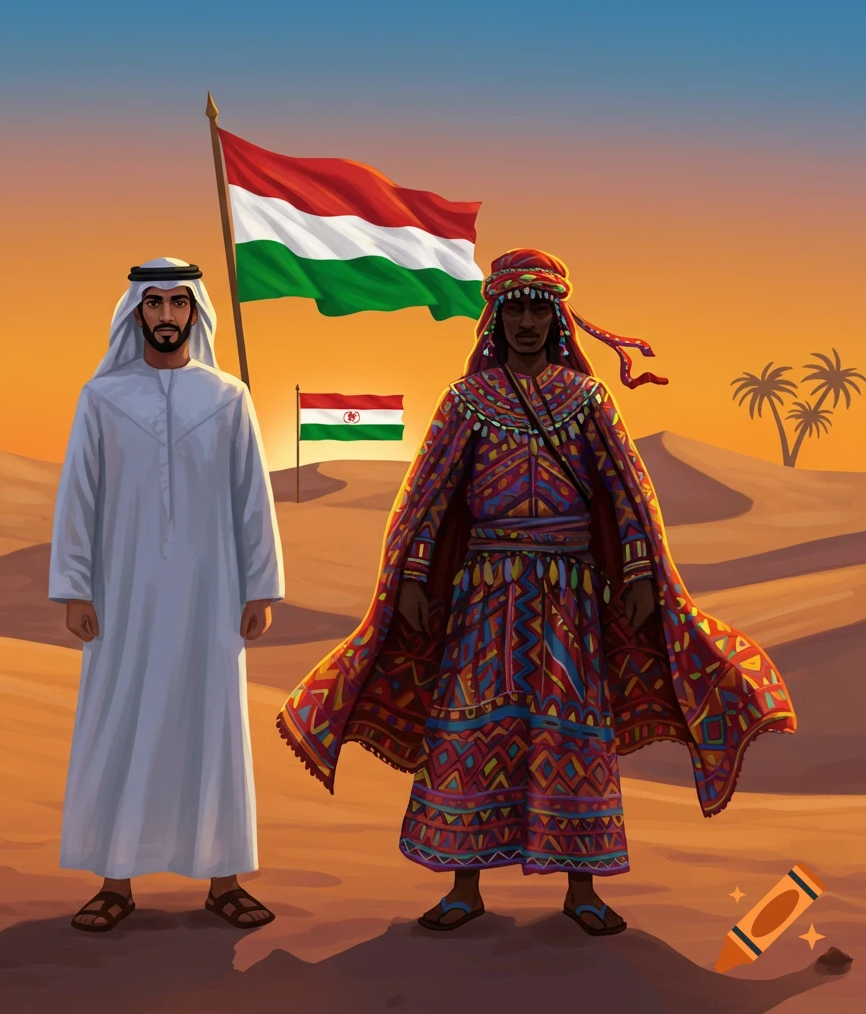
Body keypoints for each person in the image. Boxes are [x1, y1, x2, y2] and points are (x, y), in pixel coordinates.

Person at [278, 247, 796, 935]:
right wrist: (412, 575)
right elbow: (431, 496)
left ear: (557, 319)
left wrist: (640, 571)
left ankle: (583, 890)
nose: (526, 322)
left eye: (538, 309)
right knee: (471, 726)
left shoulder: (588, 400)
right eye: (515, 308)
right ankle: (464, 886)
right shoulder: (465, 401)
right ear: (496, 317)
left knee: (572, 732)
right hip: (485, 593)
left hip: (570, 593)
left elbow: (627, 493)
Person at [50, 257, 284, 933]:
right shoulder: (102, 398)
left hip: (212, 593)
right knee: (120, 720)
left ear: (194, 312)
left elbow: (251, 497)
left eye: (178, 303)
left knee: (212, 726)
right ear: (136, 312)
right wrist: (74, 586)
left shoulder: (228, 397)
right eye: (153, 303)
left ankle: (225, 881)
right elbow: (79, 496)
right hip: (123, 593)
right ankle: (114, 882)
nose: (165, 315)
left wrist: (260, 587)